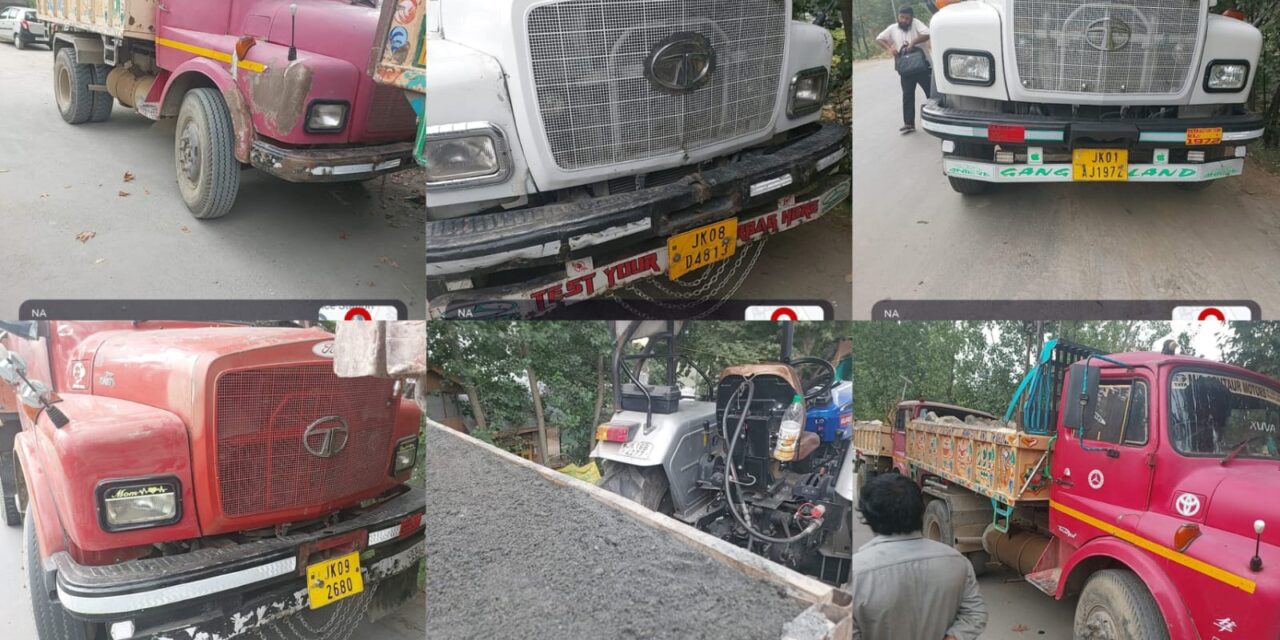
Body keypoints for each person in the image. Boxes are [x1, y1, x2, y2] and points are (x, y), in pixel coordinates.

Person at [849, 474, 987, 640]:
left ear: (868, 517)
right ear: (920, 511)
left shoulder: (858, 571)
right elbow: (975, 614)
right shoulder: (958, 562)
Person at [876, 6, 933, 134]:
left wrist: (913, 43)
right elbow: (879, 38)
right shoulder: (893, 28)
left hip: (923, 67)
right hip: (906, 69)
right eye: (902, 17)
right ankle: (909, 123)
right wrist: (889, 49)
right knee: (907, 95)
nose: (904, 20)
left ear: (911, 18)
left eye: (907, 18)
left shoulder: (916, 23)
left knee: (931, 94)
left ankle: (938, 119)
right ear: (898, 17)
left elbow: (927, 33)